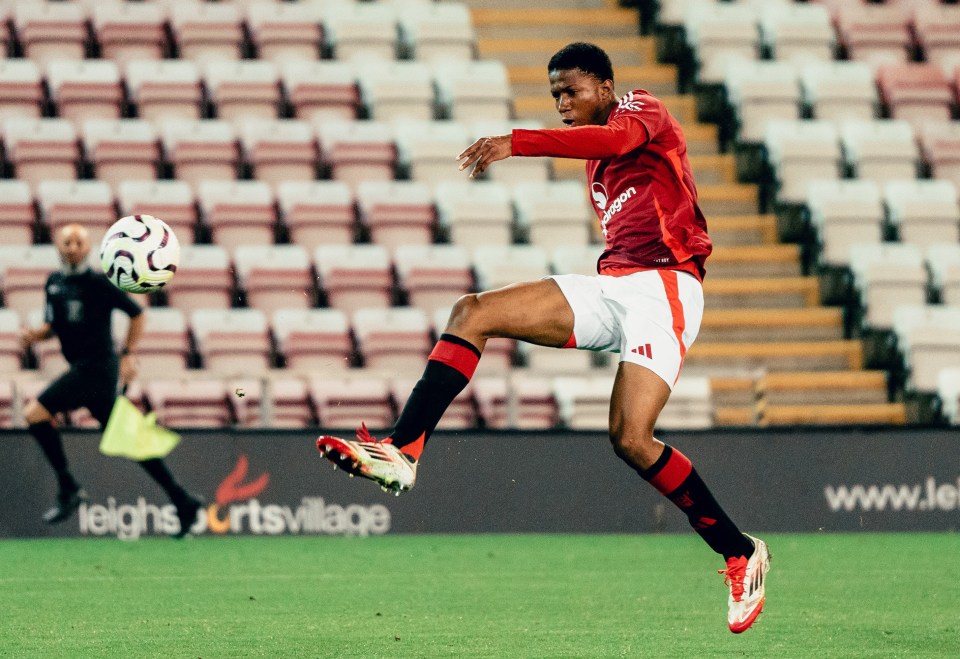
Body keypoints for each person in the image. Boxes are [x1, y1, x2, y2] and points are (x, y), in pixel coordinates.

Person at [315, 42, 770, 632]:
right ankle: (403, 450)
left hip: (666, 288)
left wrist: (517, 140)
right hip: (616, 286)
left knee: (631, 439)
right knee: (472, 311)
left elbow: (613, 140)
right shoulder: (596, 164)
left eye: (570, 90)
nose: (560, 102)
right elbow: (602, 157)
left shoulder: (641, 107)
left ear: (605, 87)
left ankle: (740, 552)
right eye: (554, 93)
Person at [20, 223, 202, 538]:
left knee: (34, 413)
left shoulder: (98, 283)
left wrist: (128, 354)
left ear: (88, 248)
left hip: (98, 369)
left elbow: (137, 313)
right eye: (67, 242)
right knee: (129, 439)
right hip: (84, 369)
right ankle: (182, 499)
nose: (72, 247)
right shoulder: (53, 283)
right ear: (58, 247)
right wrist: (37, 335)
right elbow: (53, 324)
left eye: (78, 242)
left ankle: (69, 487)